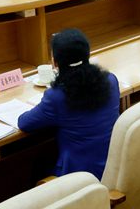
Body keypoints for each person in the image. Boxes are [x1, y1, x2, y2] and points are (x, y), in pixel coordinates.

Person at [18, 29, 120, 179]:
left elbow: (24, 123)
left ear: (55, 62)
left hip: (78, 177)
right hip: (113, 167)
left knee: (35, 164)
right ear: (88, 55)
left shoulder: (56, 96)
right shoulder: (111, 80)